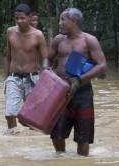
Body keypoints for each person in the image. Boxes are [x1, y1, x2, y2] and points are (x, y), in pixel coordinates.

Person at [42, 8, 107, 156]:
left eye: (62, 20)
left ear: (74, 21)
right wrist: (46, 69)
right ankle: (60, 159)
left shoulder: (89, 40)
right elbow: (48, 58)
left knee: (83, 136)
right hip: (60, 92)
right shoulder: (58, 40)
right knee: (57, 132)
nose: (59, 23)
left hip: (83, 93)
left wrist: (79, 80)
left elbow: (102, 65)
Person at [5, 4, 48, 129]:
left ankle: (30, 144)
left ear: (29, 18)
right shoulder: (10, 32)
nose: (19, 21)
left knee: (32, 117)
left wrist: (46, 81)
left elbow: (45, 60)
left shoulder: (38, 35)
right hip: (13, 77)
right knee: (10, 113)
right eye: (16, 18)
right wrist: (6, 79)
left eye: (22, 18)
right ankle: (12, 139)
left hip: (32, 78)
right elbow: (8, 57)